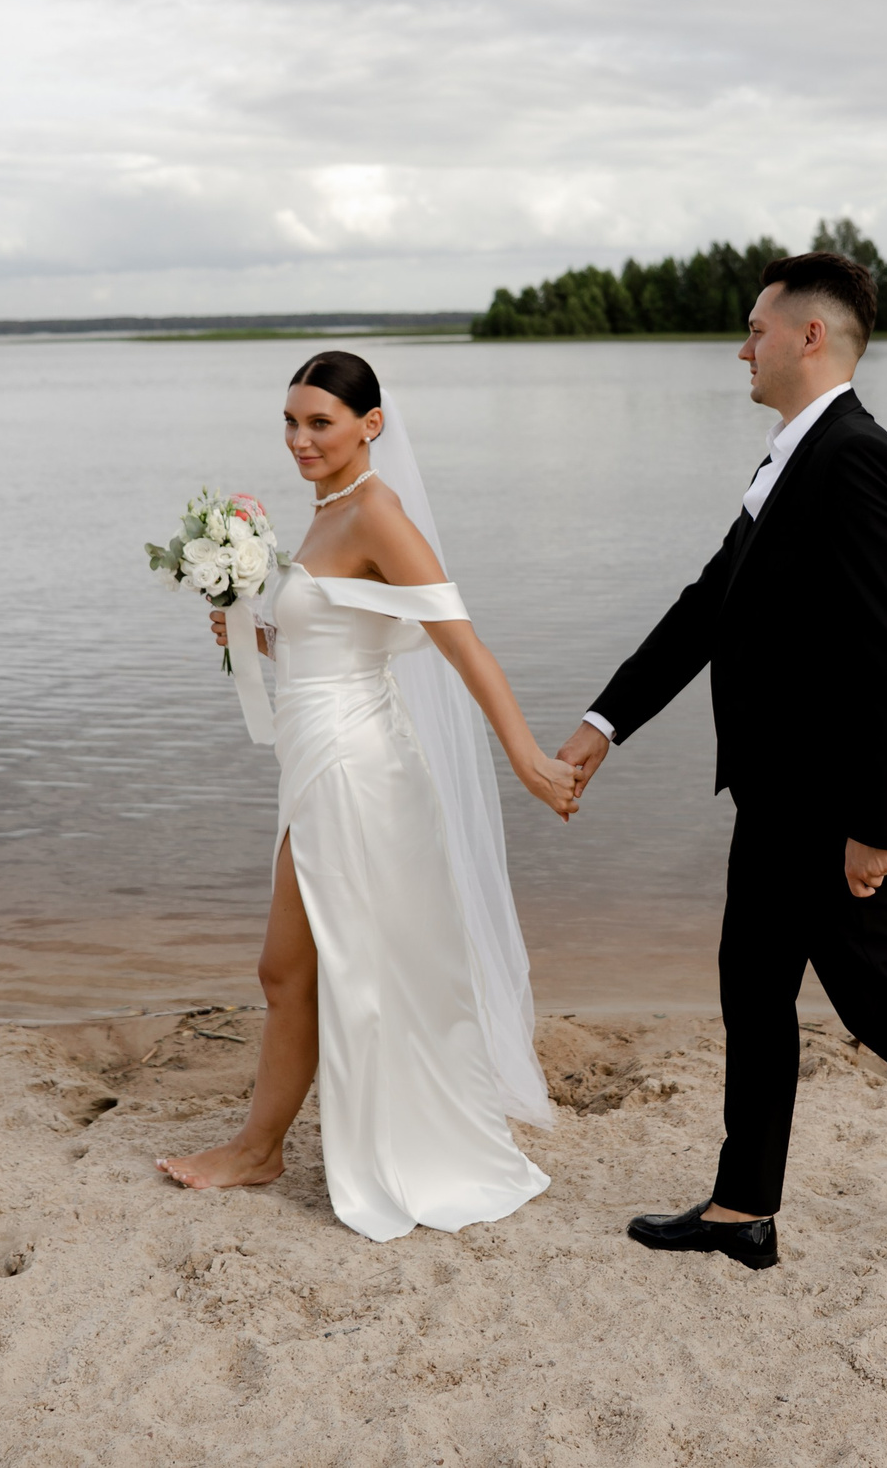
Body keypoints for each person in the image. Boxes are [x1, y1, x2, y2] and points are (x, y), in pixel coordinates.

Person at [556, 251, 887, 1270]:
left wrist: (881, 822)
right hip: (773, 792)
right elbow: (711, 603)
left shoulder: (855, 456)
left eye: (754, 328)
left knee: (879, 996)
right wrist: (604, 722)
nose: (739, 346)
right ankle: (740, 1207)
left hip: (837, 801)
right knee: (751, 986)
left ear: (809, 336)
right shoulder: (792, 454)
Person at [157, 351, 574, 1242]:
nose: (300, 439)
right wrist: (250, 628)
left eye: (321, 423)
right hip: (315, 758)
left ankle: (260, 1146)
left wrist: (529, 758)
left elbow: (463, 646)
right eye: (291, 421)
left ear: (370, 426)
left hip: (356, 766)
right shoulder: (327, 513)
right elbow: (338, 639)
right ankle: (260, 1145)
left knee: (331, 968)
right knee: (288, 966)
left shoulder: (378, 512)